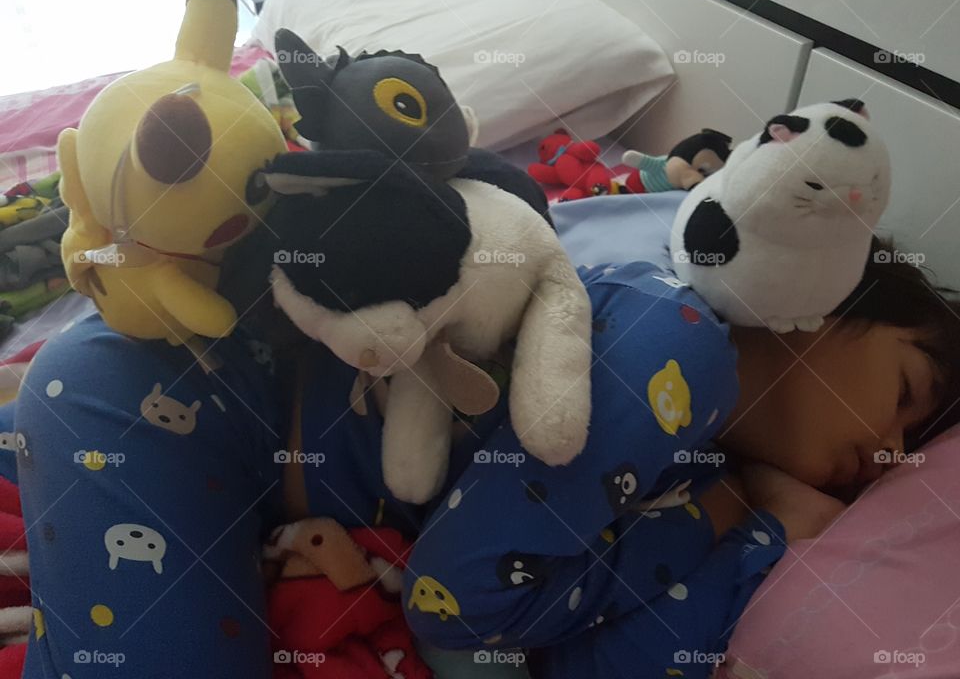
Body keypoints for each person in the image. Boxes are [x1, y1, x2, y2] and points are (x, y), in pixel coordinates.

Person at [7, 239, 958, 678]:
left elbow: (587, 658)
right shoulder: (677, 343)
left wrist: (757, 536)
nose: (884, 457)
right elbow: (459, 603)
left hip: (223, 474)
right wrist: (734, 529)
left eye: (910, 455)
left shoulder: (691, 458)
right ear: (829, 298)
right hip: (157, 398)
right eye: (907, 398)